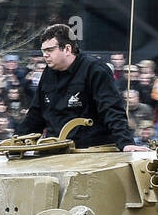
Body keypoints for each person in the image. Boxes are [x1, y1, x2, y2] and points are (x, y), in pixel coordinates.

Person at [18, 23, 136, 151]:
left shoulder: (95, 70)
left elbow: (111, 109)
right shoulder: (48, 73)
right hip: (55, 149)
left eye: (50, 50)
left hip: (91, 151)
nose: (45, 55)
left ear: (67, 49)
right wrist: (17, 143)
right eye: (43, 51)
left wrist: (126, 143)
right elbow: (36, 114)